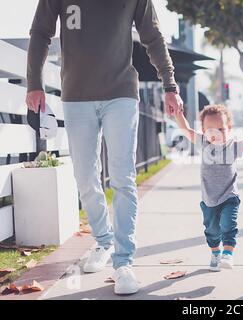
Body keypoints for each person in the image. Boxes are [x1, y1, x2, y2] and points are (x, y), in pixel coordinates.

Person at [26, 0, 183, 295]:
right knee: (85, 178)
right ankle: (103, 241)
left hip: (121, 93)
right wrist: (34, 82)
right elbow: (40, 32)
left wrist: (170, 85)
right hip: (75, 96)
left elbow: (153, 36)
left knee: (123, 179)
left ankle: (124, 263)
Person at [174, 105, 243, 271]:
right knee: (212, 230)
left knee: (229, 224)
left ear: (229, 128)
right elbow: (185, 129)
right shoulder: (203, 143)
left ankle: (228, 253)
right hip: (209, 199)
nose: (216, 134)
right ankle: (215, 253)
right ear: (204, 130)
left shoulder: (233, 146)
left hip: (229, 196)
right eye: (211, 130)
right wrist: (179, 114)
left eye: (221, 128)